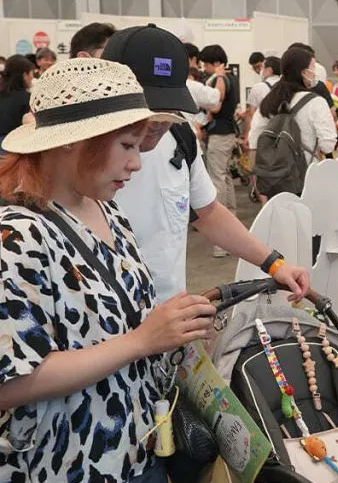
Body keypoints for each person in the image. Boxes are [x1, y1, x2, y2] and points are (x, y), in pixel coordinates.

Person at [0, 57, 219, 483]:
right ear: (72, 141)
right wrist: (142, 341)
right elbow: (12, 382)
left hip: (140, 456)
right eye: (126, 145)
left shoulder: (107, 211)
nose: (137, 162)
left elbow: (120, 321)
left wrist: (173, 328)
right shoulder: (17, 236)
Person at [103, 25, 308, 306]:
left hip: (170, 313)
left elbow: (207, 212)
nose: (161, 121)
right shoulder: (76, 161)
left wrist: (274, 264)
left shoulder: (180, 136)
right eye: (149, 107)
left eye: (170, 107)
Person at [249, 47, 337, 173]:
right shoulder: (316, 102)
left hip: (273, 174)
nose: (315, 72)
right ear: (304, 72)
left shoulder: (269, 101)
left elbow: (254, 137)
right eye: (313, 67)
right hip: (307, 173)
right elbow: (327, 145)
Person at [198, 44, 240, 257]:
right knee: (224, 178)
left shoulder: (221, 79)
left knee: (217, 179)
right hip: (227, 132)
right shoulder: (230, 78)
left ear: (215, 63)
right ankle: (232, 231)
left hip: (220, 134)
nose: (204, 69)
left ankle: (222, 240)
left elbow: (216, 105)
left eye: (206, 64)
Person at [243, 55, 282, 152]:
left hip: (261, 134)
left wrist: (247, 136)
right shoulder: (286, 86)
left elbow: (250, 114)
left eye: (263, 67)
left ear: (269, 70)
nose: (261, 70)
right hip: (282, 133)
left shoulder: (258, 87)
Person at [0, 55, 35, 145]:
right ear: (25, 75)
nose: (32, 77)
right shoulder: (28, 98)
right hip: (12, 145)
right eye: (31, 73)